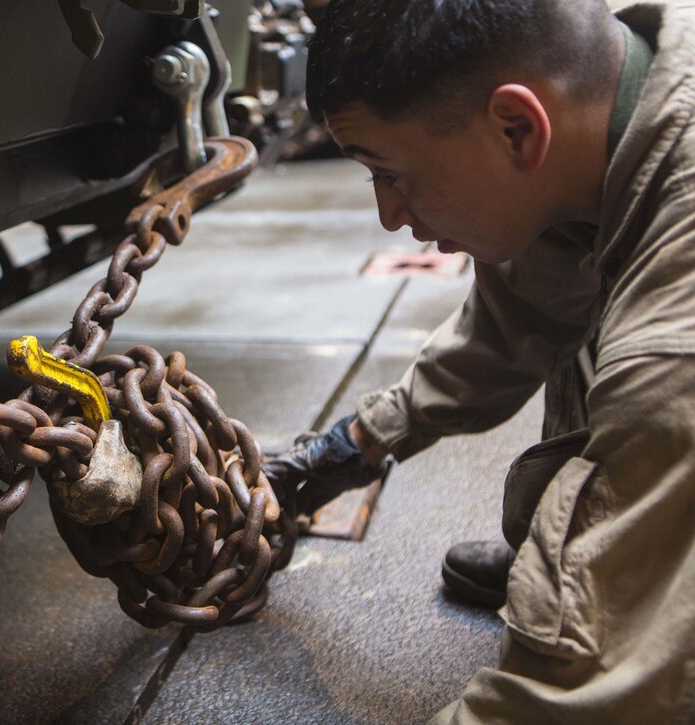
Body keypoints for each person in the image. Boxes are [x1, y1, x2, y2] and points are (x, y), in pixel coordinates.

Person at [261, 0, 695, 720]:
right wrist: (347, 449)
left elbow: (574, 706)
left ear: (517, 127)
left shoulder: (672, 348)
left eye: (390, 173)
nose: (389, 216)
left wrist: (592, 600)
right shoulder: (614, 107)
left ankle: (613, 565)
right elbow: (523, 313)